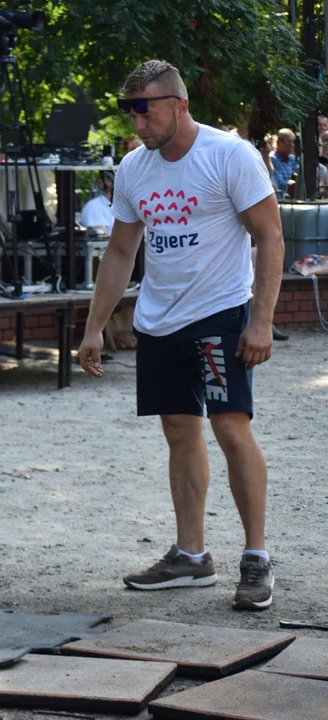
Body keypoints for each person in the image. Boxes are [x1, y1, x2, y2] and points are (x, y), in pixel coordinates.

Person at [78, 60, 283, 612]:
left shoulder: (229, 155)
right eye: (130, 111)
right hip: (159, 319)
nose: (138, 123)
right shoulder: (133, 169)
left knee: (230, 428)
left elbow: (270, 235)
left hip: (220, 312)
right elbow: (122, 251)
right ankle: (191, 557)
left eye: (145, 109)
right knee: (178, 431)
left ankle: (256, 557)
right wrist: (95, 327)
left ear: (179, 104)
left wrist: (260, 319)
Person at [268, 129, 297, 199]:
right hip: (279, 199)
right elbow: (279, 183)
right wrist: (293, 187)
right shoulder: (272, 159)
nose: (292, 145)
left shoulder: (292, 159)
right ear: (278, 142)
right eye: (289, 142)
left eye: (293, 142)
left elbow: (296, 178)